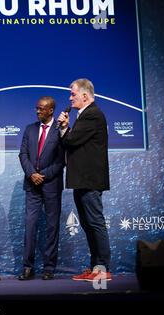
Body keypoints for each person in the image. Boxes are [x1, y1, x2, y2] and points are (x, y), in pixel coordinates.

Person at [57, 79, 112, 282]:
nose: (70, 98)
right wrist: (65, 127)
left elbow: (70, 141)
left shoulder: (92, 115)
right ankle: (95, 267)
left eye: (73, 94)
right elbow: (70, 142)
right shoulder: (85, 115)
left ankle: (104, 268)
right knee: (89, 225)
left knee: (95, 223)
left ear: (85, 96)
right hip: (82, 180)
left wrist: (64, 127)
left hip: (90, 180)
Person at [18, 97, 65, 281]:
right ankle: (27, 268)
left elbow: (62, 160)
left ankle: (49, 268)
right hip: (32, 184)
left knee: (52, 227)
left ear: (51, 110)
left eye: (41, 109)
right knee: (30, 226)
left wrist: (43, 175)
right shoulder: (30, 129)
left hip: (51, 184)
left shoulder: (60, 130)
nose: (37, 111)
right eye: (36, 108)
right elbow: (23, 154)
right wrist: (32, 174)